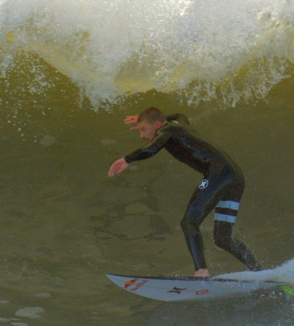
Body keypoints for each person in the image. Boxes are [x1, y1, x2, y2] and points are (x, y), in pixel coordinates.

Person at [107, 107, 260, 277]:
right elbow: (181, 115)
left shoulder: (167, 130)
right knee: (223, 238)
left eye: (144, 129)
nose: (142, 135)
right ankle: (260, 273)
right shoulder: (179, 124)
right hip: (235, 177)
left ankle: (201, 271)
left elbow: (150, 149)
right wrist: (145, 120)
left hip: (219, 175)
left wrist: (126, 159)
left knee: (189, 223)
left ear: (157, 125)